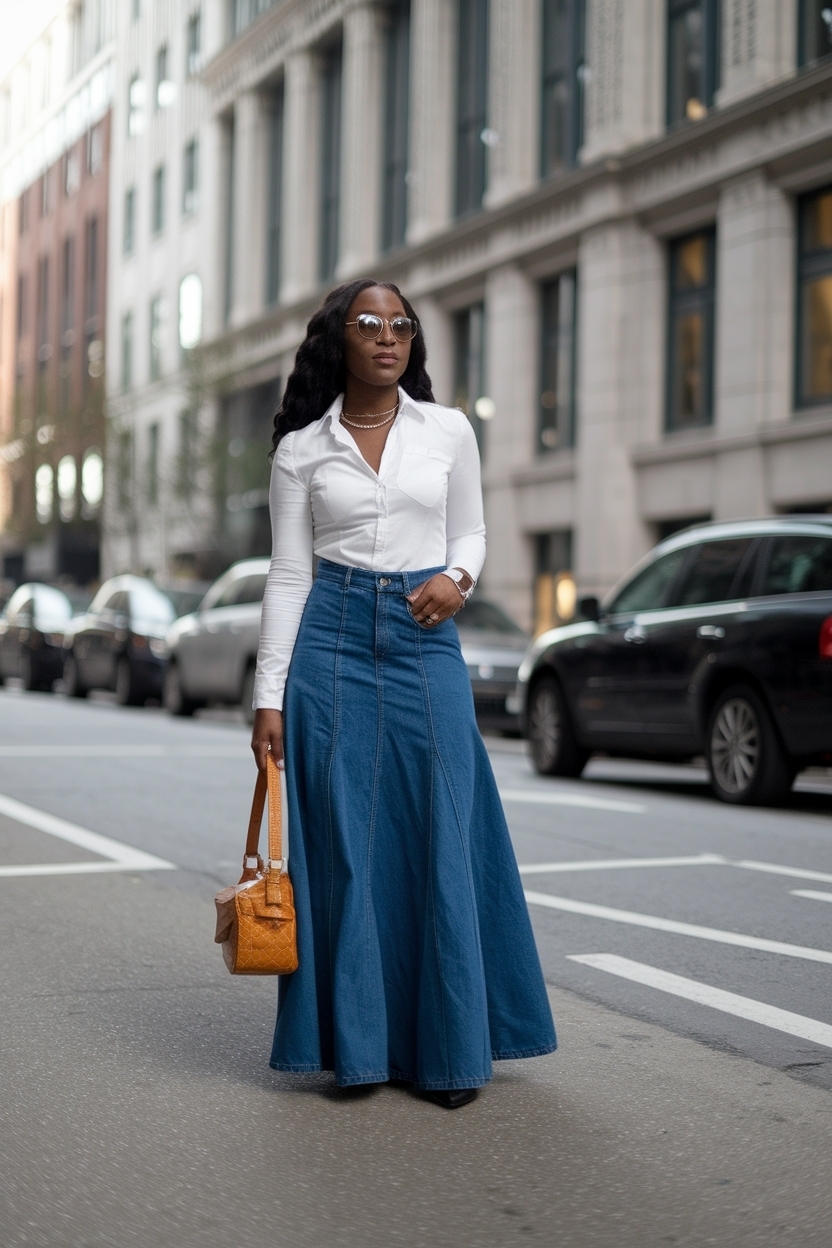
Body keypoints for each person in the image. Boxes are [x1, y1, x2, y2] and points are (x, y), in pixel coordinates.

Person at [251, 278, 556, 1109]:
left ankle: (450, 1053)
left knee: (440, 830)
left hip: (426, 643)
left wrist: (460, 578)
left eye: (402, 325)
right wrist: (268, 694)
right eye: (369, 325)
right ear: (338, 340)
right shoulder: (301, 452)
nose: (389, 337)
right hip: (333, 643)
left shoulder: (449, 431)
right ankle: (360, 1051)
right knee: (347, 845)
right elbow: (288, 574)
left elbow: (473, 531)